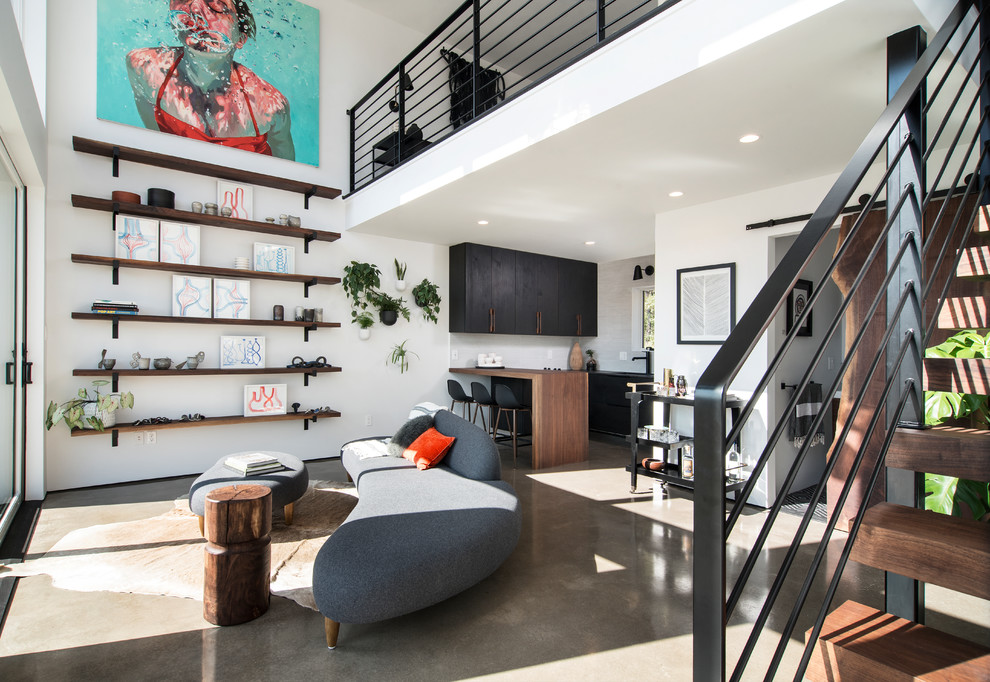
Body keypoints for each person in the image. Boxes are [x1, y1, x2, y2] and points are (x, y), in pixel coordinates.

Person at [126, 0, 295, 160]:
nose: (196, 10)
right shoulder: (144, 68)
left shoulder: (269, 106)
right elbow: (156, 142)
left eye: (217, 5)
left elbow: (287, 170)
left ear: (240, 39)